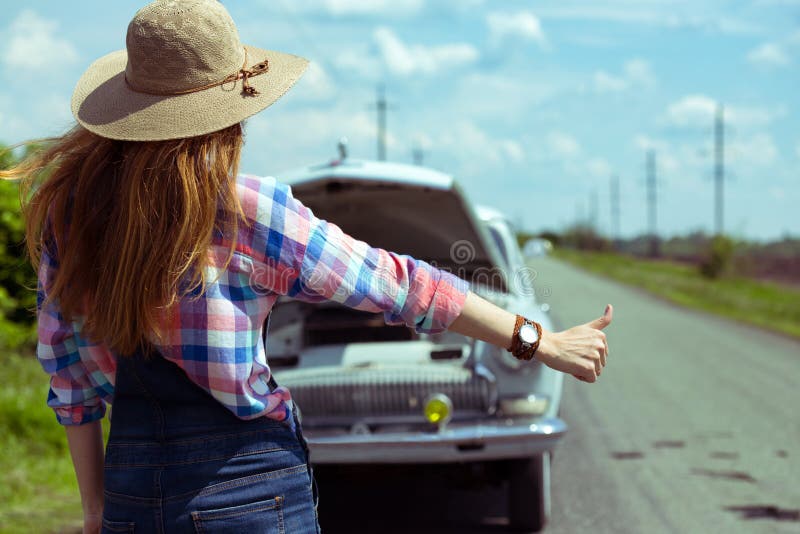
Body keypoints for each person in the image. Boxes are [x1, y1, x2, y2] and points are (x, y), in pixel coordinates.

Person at [2, 1, 612, 532]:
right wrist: (541, 340)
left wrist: (95, 507)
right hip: (250, 484)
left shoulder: (68, 219)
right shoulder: (248, 212)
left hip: (131, 488)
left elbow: (69, 378)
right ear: (225, 120)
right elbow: (402, 285)